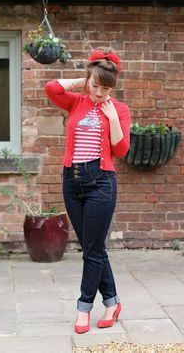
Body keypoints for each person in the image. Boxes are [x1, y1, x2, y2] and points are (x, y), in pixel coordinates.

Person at [45, 48, 131, 334]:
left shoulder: (118, 109)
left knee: (91, 252)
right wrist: (80, 82)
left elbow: (120, 150)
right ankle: (112, 302)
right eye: (95, 86)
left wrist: (114, 118)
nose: (99, 93)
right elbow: (51, 88)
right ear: (88, 82)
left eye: (106, 89)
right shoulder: (76, 102)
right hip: (72, 181)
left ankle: (84, 308)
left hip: (101, 183)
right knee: (93, 248)